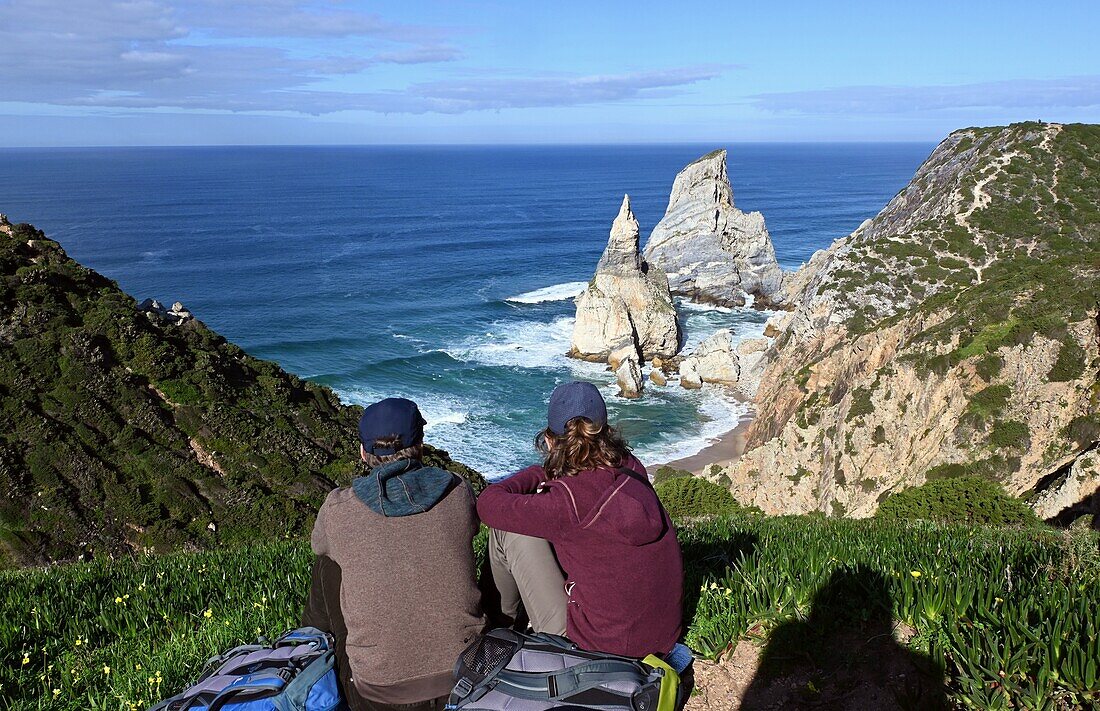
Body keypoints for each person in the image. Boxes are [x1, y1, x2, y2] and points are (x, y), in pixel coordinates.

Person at [302, 397, 486, 711]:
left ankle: (310, 649)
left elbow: (318, 544)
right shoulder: (458, 491)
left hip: (379, 692)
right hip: (466, 677)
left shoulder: (338, 508)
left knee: (328, 563)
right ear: (421, 445)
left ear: (363, 452)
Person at [476, 381, 683, 659]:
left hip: (598, 651)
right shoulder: (631, 467)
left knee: (508, 531)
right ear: (606, 432)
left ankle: (499, 631)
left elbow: (488, 504)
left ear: (549, 441)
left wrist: (541, 472)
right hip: (661, 637)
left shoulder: (567, 503)